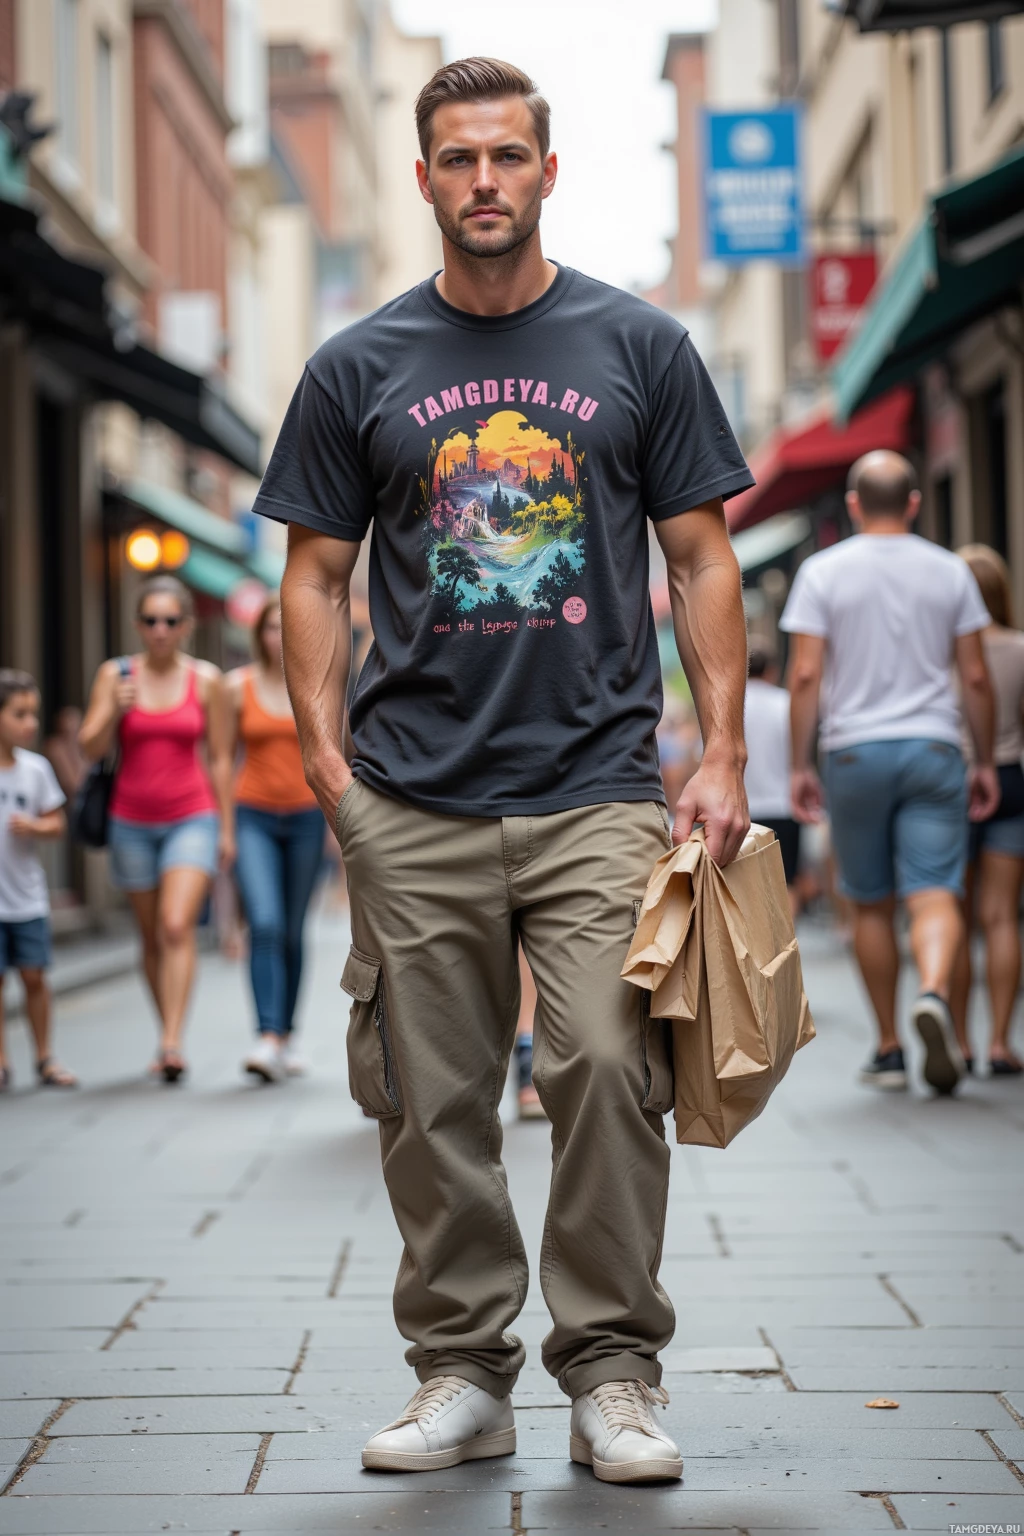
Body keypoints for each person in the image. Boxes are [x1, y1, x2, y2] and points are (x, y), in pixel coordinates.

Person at [254, 58, 753, 1485]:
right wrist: (323, 756)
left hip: (597, 782)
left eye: (507, 158)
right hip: (409, 793)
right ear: (423, 180)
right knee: (431, 1095)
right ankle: (461, 1373)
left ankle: (610, 1370)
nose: (484, 182)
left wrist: (718, 749)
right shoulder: (358, 365)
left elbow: (702, 555)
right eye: (458, 160)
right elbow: (314, 573)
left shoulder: (638, 346)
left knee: (605, 1061)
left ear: (547, 170)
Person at [783, 450, 999, 1095]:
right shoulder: (950, 571)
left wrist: (799, 763)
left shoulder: (822, 572)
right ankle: (933, 990)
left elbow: (804, 674)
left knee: (870, 902)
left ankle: (888, 1045)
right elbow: (978, 676)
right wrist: (984, 759)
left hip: (854, 753)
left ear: (852, 504)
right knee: (936, 889)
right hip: (935, 748)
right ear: (913, 502)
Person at [79, 577, 233, 1082]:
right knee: (149, 936)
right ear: (137, 625)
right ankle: (163, 1029)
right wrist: (113, 710)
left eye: (170, 621)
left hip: (192, 816)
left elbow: (219, 758)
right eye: (151, 620)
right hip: (131, 821)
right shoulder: (115, 674)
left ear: (186, 625)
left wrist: (226, 829)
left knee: (174, 924)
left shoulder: (206, 680)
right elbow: (89, 748)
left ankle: (172, 1042)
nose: (160, 630)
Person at [226, 597, 323, 1083]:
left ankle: (288, 1033)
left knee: (292, 928)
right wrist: (223, 829)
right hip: (253, 817)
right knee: (263, 923)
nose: (277, 636)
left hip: (306, 817)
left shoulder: (317, 685)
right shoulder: (235, 687)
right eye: (269, 628)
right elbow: (221, 761)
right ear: (258, 634)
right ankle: (267, 1035)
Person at [949, 545, 1024, 1077]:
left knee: (954, 913)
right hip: (1010, 779)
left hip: (951, 783)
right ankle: (1000, 1042)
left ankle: (958, 1041)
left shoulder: (942, 653)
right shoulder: (1020, 648)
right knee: (1002, 917)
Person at [0, 670, 77, 1090]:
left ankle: (45, 1056)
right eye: (19, 714)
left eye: (33, 714)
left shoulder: (36, 769)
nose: (30, 723)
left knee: (34, 976)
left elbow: (57, 822)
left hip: (26, 896)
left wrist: (35, 827)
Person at [743, 644, 800, 916]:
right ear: (773, 671)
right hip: (783, 805)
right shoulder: (787, 703)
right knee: (786, 883)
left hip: (743, 808)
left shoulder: (729, 706)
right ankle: (786, 950)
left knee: (744, 887)